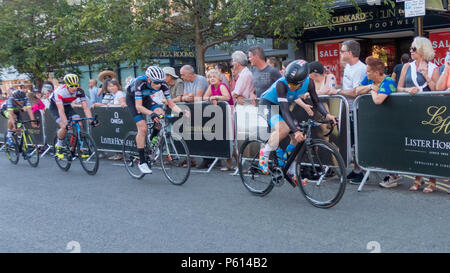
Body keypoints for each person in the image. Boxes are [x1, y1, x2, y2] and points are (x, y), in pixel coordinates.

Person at [259, 60, 337, 184]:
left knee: (297, 139)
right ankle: (265, 152)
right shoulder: (281, 84)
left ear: (302, 81)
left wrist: (327, 115)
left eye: (294, 84)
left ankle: (291, 171)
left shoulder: (309, 83)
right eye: (289, 82)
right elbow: (284, 111)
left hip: (281, 106)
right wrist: (295, 131)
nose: (290, 86)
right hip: (268, 105)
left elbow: (316, 102)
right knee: (284, 129)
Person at [126, 66, 189, 174]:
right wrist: (151, 114)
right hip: (133, 100)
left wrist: (181, 112)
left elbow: (171, 103)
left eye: (161, 82)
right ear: (149, 79)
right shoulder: (140, 83)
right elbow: (139, 107)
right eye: (156, 82)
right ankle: (142, 161)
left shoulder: (163, 84)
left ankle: (152, 142)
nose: (159, 85)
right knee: (143, 127)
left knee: (161, 114)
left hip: (146, 99)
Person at [397, 37, 440, 194]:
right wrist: (408, 90)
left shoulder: (433, 68)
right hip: (410, 110)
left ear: (422, 50)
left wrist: (426, 75)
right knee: (413, 144)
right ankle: (418, 177)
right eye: (410, 48)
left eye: (413, 49)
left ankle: (432, 179)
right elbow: (398, 88)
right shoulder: (406, 67)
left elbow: (437, 91)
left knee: (428, 145)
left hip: (428, 111)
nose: (410, 51)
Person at [355, 56, 402, 188]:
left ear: (376, 73)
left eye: (368, 71)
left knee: (390, 148)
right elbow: (357, 90)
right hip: (377, 121)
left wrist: (371, 91)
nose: (366, 73)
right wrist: (371, 87)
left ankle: (394, 176)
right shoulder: (370, 80)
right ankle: (390, 174)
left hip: (391, 120)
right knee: (380, 147)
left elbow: (378, 100)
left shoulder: (388, 82)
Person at [329, 40, 367, 184]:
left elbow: (356, 92)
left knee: (357, 142)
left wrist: (337, 91)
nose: (340, 53)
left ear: (350, 53)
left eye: (343, 51)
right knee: (350, 142)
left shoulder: (359, 69)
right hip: (348, 109)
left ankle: (362, 172)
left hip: (357, 110)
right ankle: (357, 170)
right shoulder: (348, 67)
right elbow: (347, 88)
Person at [51, 74, 98, 159]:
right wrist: (65, 123)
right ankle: (59, 145)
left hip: (68, 106)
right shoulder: (59, 92)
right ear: (66, 85)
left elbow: (85, 107)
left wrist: (91, 120)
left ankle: (74, 150)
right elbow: (61, 110)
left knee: (79, 124)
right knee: (64, 127)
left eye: (76, 85)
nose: (74, 88)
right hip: (55, 107)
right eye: (71, 86)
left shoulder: (80, 91)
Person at [204, 69, 237, 171]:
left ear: (219, 78)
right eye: (210, 77)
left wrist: (215, 97)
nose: (212, 79)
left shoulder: (222, 85)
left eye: (214, 76)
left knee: (230, 139)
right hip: (220, 114)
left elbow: (227, 97)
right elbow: (205, 97)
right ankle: (229, 163)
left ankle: (238, 164)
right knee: (224, 139)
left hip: (229, 113)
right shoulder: (210, 87)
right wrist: (210, 98)